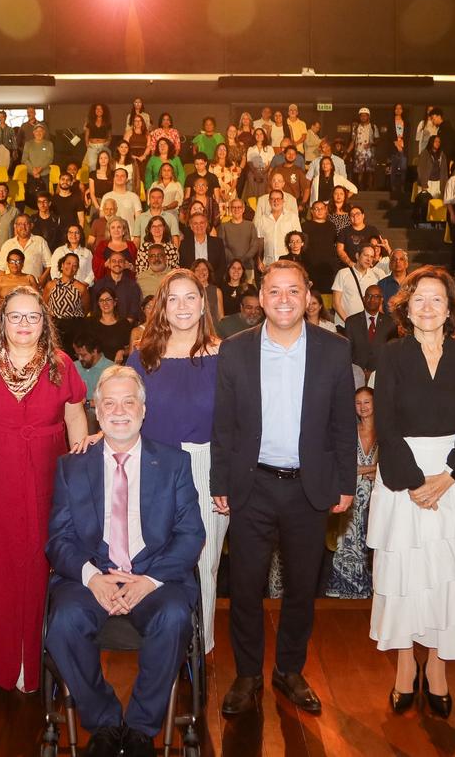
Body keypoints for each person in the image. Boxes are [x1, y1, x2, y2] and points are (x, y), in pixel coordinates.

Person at [212, 260, 356, 716]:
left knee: (300, 588)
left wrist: (345, 483)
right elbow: (224, 425)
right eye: (275, 292)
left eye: (293, 291)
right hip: (251, 486)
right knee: (246, 588)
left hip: (308, 489)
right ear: (261, 297)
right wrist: (220, 480)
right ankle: (248, 674)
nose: (284, 300)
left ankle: (290, 670)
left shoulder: (335, 349)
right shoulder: (235, 350)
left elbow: (343, 424)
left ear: (309, 294)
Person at [44, 365, 205, 757]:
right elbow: (59, 538)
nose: (119, 411)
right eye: (109, 403)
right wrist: (90, 577)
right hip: (91, 575)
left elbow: (191, 535)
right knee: (62, 623)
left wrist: (147, 581)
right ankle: (102, 721)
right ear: (96, 409)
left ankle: (138, 728)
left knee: (174, 617)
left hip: (154, 577)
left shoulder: (173, 463)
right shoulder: (72, 465)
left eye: (128, 402)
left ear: (143, 410)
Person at [0, 287, 89, 712]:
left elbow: (77, 426)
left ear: (45, 323)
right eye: (15, 317)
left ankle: (32, 661)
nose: (24, 325)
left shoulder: (62, 367)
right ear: (2, 321)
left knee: (42, 574)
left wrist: (81, 496)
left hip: (49, 488)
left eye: (33, 317)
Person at [369, 265, 455, 718]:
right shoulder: (392, 354)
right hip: (404, 479)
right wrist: (417, 480)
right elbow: (386, 423)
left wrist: (449, 476)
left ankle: (437, 668)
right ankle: (405, 667)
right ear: (406, 305)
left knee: (446, 577)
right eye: (419, 298)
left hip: (454, 481)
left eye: (437, 299)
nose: (427, 307)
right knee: (403, 577)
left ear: (450, 308)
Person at [126, 269, 225, 651]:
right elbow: (125, 414)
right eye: (173, 299)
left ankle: (200, 648)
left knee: (205, 563)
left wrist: (226, 480)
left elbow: (237, 422)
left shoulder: (225, 355)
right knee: (157, 558)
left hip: (207, 465)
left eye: (190, 298)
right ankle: (162, 641)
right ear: (161, 308)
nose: (182, 306)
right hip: (154, 470)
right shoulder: (142, 358)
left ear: (203, 305)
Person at [326, 386, 377, 599]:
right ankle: (345, 589)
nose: (362, 407)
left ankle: (371, 589)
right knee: (346, 541)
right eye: (358, 403)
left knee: (372, 541)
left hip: (378, 496)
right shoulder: (349, 431)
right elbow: (345, 465)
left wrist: (370, 470)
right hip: (351, 494)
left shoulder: (384, 431)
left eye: (367, 402)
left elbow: (390, 464)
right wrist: (372, 469)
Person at [345, 285, 391, 385]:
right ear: (363, 298)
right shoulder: (351, 322)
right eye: (369, 296)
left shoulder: (390, 323)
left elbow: (392, 352)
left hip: (381, 375)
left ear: (381, 300)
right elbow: (347, 351)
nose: (372, 299)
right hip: (356, 375)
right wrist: (360, 371)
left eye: (376, 296)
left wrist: (375, 372)